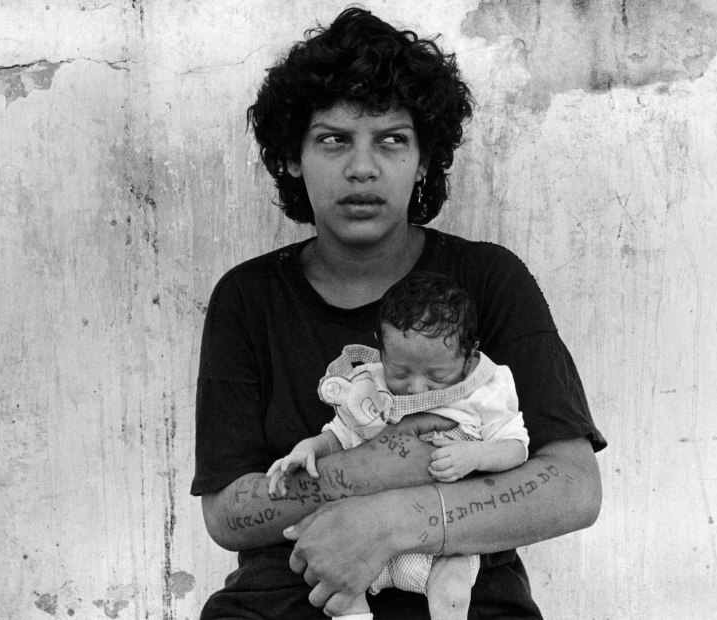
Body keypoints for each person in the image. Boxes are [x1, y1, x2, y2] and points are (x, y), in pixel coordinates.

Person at [191, 7, 606, 620]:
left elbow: (573, 488)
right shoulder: (248, 297)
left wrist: (392, 521)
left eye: (392, 139)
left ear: (422, 160)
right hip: (283, 602)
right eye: (333, 138)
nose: (363, 167)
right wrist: (375, 468)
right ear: (292, 158)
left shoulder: (488, 279)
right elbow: (229, 514)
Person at [266, 272, 530, 620]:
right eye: (400, 373)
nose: (416, 388)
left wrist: (477, 455)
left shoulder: (485, 389)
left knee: (453, 586)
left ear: (469, 355)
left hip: (439, 541)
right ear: (381, 349)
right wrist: (310, 447)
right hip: (360, 536)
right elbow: (341, 432)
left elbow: (517, 447)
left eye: (436, 376)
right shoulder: (370, 385)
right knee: (336, 586)